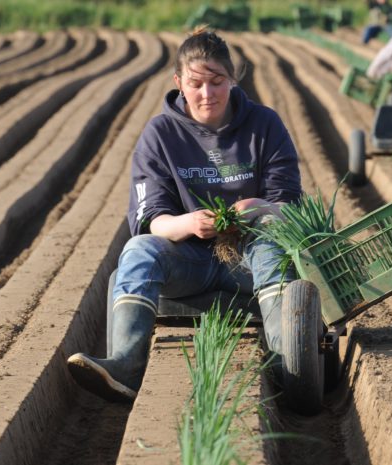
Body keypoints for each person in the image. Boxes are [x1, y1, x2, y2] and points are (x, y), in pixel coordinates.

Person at [66, 29, 302, 402]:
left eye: (217, 82)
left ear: (232, 79)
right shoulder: (160, 134)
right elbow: (152, 218)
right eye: (196, 83)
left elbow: (288, 204)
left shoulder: (264, 125)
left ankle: (287, 367)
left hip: (250, 258)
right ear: (179, 82)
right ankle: (125, 365)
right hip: (189, 259)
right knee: (140, 249)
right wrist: (189, 223)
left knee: (274, 244)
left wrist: (255, 208)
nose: (207, 94)